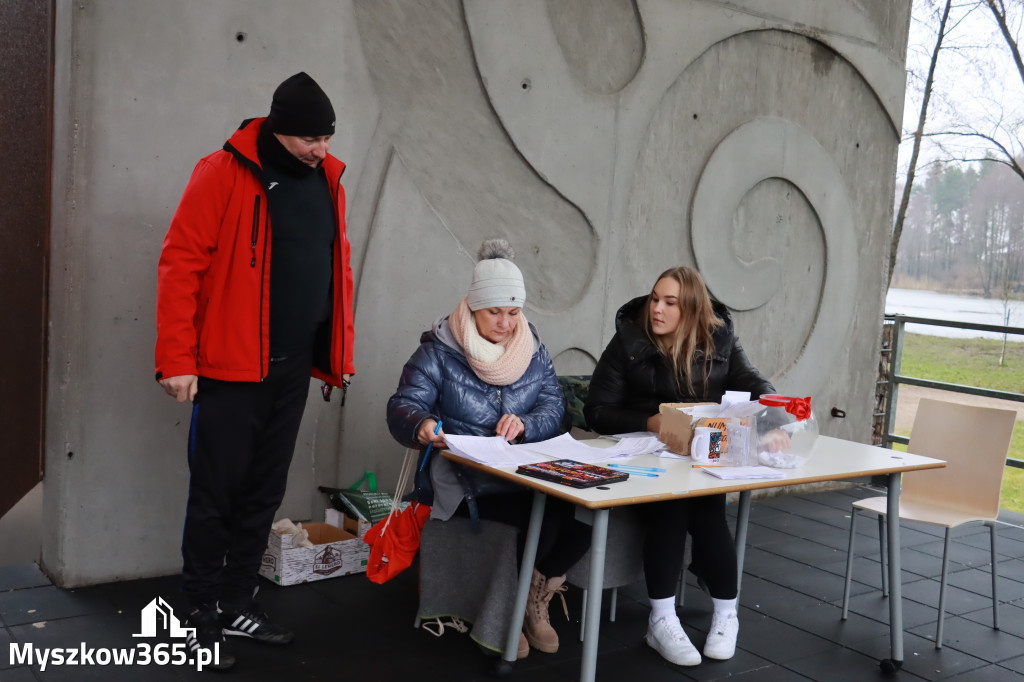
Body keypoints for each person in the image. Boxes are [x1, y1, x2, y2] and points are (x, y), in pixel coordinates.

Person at [155, 72, 355, 669]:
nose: (321, 149)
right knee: (216, 493)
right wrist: (177, 360)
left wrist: (336, 354)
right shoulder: (221, 172)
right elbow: (180, 265)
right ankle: (195, 612)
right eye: (309, 138)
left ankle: (237, 601)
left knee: (264, 492)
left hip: (293, 369)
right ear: (276, 128)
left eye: (326, 136)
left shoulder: (329, 180)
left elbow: (335, 269)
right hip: (229, 368)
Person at [386, 239, 590, 659]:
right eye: (494, 311)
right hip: (463, 482)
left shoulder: (531, 349)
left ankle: (534, 600)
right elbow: (402, 404)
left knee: (579, 518)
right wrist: (421, 425)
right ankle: (506, 616)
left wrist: (527, 424)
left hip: (520, 475)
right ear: (473, 307)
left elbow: (554, 406)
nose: (506, 323)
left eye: (513, 312)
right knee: (538, 518)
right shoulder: (438, 351)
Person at [584, 266, 775, 667]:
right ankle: (662, 619)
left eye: (669, 302)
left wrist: (775, 415)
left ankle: (726, 615)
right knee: (672, 507)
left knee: (707, 507)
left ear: (690, 309)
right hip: (643, 456)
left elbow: (755, 383)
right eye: (655, 298)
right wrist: (648, 421)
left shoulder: (719, 338)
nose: (656, 308)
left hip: (697, 455)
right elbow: (597, 412)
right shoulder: (628, 341)